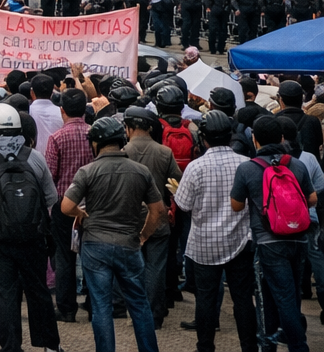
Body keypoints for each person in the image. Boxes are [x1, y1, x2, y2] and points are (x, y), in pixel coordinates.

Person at [60, 115, 164, 352]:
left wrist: (80, 213)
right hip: (129, 244)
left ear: (95, 143)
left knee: (101, 306)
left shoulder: (87, 171)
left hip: (95, 246)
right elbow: (157, 210)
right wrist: (144, 235)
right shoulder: (141, 171)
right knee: (139, 304)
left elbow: (66, 206)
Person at [0, 104, 61, 352]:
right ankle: (50, 346)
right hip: (33, 238)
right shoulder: (35, 157)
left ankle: (11, 347)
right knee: (38, 291)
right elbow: (51, 198)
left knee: (4, 295)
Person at [230, 113, 316, 352]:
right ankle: (272, 342)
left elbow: (236, 205)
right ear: (281, 138)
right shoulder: (296, 164)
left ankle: (297, 346)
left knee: (280, 298)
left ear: (255, 139)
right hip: (298, 238)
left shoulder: (247, 168)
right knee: (289, 293)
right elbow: (312, 199)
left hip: (268, 241)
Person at [173, 110, 257, 352]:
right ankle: (249, 347)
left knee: (206, 299)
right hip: (240, 242)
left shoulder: (195, 167)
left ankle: (205, 347)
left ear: (203, 138)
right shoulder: (246, 163)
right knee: (243, 299)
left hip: (205, 245)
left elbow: (184, 205)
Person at [122, 105, 181, 330]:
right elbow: (177, 181)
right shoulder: (164, 152)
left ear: (129, 128)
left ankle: (136, 312)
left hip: (129, 219)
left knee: (132, 268)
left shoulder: (123, 151)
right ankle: (154, 315)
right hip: (158, 217)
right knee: (156, 268)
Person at [43, 87, 94, 322]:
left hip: (64, 206)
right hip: (92, 206)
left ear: (62, 110)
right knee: (92, 255)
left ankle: (66, 308)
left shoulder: (57, 138)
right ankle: (94, 304)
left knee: (64, 257)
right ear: (84, 109)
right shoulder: (95, 134)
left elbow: (50, 176)